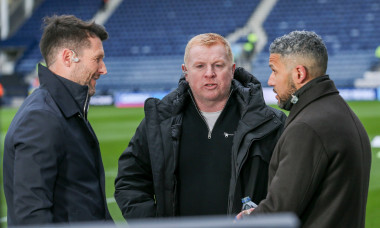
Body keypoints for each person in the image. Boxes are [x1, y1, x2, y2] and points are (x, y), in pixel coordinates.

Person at [114, 33, 286, 219]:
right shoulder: (159, 122)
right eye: (200, 66)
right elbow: (130, 181)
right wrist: (153, 224)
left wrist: (264, 216)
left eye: (218, 65)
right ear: (186, 72)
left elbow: (291, 185)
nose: (209, 73)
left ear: (232, 69)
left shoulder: (270, 123)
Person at [236, 31, 371, 227]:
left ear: (299, 73)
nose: (270, 80)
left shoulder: (307, 128)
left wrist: (247, 219)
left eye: (274, 71)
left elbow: (278, 213)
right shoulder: (337, 110)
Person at [3, 15, 112, 225]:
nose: (103, 69)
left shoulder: (62, 109)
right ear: (68, 57)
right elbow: (32, 216)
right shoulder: (41, 117)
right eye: (97, 59)